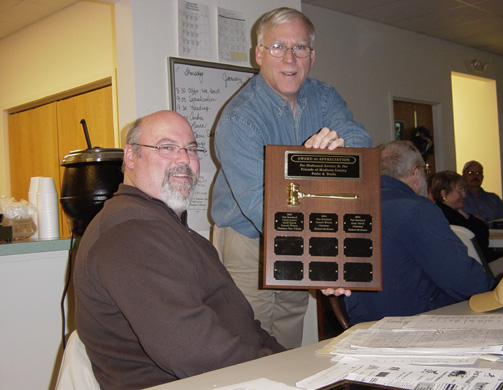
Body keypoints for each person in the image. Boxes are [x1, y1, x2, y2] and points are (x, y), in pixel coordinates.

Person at [73, 110, 285, 390]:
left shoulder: (169, 229)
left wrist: (287, 360)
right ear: (131, 157)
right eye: (167, 147)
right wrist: (280, 373)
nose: (184, 159)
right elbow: (193, 349)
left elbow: (246, 326)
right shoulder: (130, 235)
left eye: (191, 149)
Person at [210, 7, 371, 348]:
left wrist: (340, 148)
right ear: (259, 54)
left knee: (288, 332)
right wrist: (325, 259)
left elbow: (361, 143)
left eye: (299, 48)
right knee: (247, 341)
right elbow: (262, 205)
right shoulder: (239, 119)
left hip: (301, 227)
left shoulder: (324, 97)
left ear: (312, 56)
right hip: (247, 239)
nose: (289, 58)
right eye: (277, 47)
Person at [342, 141, 495, 326]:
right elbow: (462, 279)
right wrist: (498, 292)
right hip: (417, 324)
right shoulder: (417, 209)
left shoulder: (347, 207)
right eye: (425, 170)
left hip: (364, 323)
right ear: (415, 174)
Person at [430, 171, 491, 259]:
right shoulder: (451, 217)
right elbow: (481, 241)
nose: (465, 195)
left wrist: (463, 213)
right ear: (444, 194)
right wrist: (466, 216)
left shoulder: (437, 212)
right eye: (460, 191)